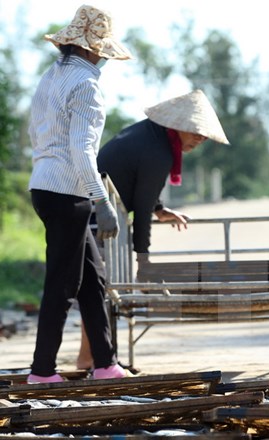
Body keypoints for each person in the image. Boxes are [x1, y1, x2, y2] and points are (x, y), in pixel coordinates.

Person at [76, 89, 229, 370]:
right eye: (195, 130)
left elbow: (140, 188)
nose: (200, 138)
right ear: (177, 125)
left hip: (98, 211)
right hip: (97, 214)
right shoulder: (157, 149)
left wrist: (160, 208)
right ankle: (91, 358)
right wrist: (143, 260)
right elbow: (142, 209)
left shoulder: (151, 136)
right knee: (97, 290)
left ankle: (96, 358)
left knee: (100, 290)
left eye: (204, 134)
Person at [26, 4, 133, 383]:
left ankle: (105, 364)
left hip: (43, 185)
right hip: (68, 193)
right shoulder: (87, 85)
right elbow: (82, 150)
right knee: (63, 284)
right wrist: (101, 202)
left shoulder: (49, 76)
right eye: (102, 52)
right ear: (91, 50)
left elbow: (35, 133)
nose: (103, 58)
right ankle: (42, 371)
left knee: (92, 280)